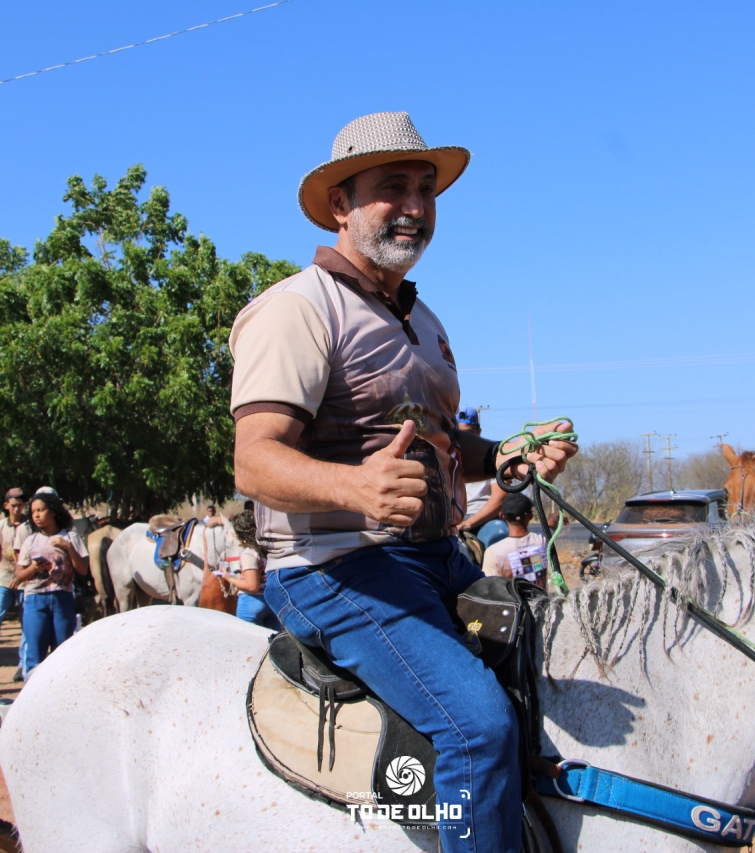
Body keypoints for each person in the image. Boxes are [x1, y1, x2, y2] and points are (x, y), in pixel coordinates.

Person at [230, 112, 576, 852]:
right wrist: (356, 489)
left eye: (426, 189)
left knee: (555, 670)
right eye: (394, 187)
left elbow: (445, 446)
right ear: (340, 204)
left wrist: (509, 453)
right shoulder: (296, 309)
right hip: (333, 566)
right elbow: (253, 461)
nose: (416, 206)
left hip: (436, 556)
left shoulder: (425, 322)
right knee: (477, 725)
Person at [14, 491, 89, 674]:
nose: (36, 515)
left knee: (62, 653)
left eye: (41, 510)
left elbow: (83, 569)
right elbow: (19, 576)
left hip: (62, 599)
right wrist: (34, 568)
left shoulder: (70, 536)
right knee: (35, 655)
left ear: (53, 511)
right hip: (35, 600)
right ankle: (32, 689)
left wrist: (68, 548)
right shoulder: (30, 541)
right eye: (33, 512)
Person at [0, 488, 32, 684]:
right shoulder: (0, 526)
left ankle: (23, 664)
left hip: (23, 580)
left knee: (26, 623)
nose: (17, 509)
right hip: (3, 578)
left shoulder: (29, 526)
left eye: (20, 505)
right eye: (13, 505)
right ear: (6, 506)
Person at [455, 406, 508, 549]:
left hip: (485, 519)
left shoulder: (493, 457)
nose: (465, 438)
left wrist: (469, 523)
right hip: (454, 519)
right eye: (459, 433)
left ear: (478, 431)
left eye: (469, 433)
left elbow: (499, 499)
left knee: (498, 536)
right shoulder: (448, 458)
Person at [222, 510, 281, 629]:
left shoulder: (249, 554)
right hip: (271, 601)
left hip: (251, 602)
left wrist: (229, 578)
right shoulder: (268, 550)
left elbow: (252, 586)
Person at [480, 493, 549, 589]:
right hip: (541, 598)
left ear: (502, 516)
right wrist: (555, 517)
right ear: (530, 515)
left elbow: (489, 588)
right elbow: (551, 525)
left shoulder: (493, 552)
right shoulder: (542, 539)